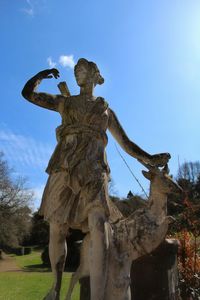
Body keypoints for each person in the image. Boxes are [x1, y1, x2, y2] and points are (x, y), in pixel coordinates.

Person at [22, 58, 170, 300]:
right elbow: (28, 94)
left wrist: (150, 159)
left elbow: (127, 144)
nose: (77, 73)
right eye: (75, 71)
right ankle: (56, 288)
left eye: (81, 70)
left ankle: (98, 296)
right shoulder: (64, 103)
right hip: (64, 166)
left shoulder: (105, 110)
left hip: (94, 169)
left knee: (99, 226)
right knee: (57, 228)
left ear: (94, 75)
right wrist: (41, 75)